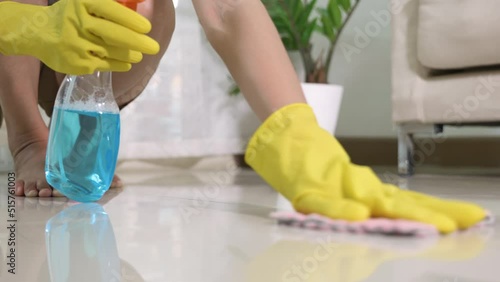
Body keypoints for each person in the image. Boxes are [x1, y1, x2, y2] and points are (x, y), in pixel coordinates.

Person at [0, 0, 487, 234]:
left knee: (146, 5)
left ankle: (73, 139)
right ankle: (28, 136)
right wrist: (27, 25)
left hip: (69, 58)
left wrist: (303, 144)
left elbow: (227, 8)